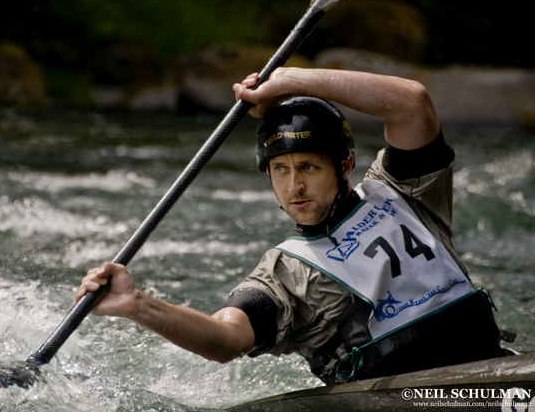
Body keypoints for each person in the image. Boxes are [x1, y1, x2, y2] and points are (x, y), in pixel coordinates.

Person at [76, 67, 512, 385]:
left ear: (345, 165)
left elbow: (411, 102)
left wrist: (292, 80)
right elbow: (226, 337)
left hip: (490, 367)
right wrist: (137, 303)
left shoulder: (405, 190)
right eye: (280, 170)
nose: (295, 185)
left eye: (307, 166)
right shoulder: (284, 275)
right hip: (398, 394)